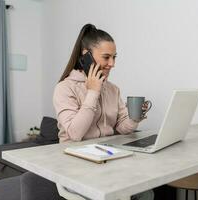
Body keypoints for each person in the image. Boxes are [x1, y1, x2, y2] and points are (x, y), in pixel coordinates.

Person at [53, 24, 154, 200]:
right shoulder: (64, 88)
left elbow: (122, 128)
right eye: (106, 57)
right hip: (76, 167)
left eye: (114, 57)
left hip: (107, 160)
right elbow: (75, 133)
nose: (112, 64)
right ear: (86, 56)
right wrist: (93, 92)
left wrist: (134, 118)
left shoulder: (113, 89)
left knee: (145, 192)